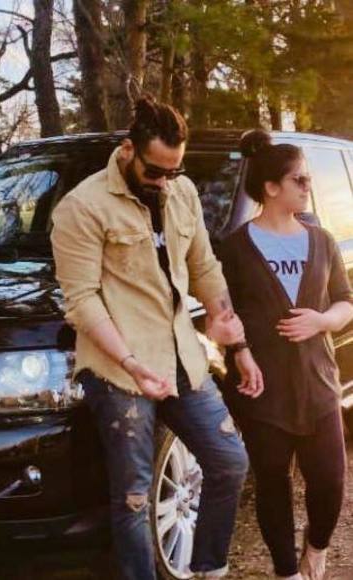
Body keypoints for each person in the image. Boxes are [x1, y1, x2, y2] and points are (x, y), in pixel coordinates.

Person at [50, 96, 262, 580]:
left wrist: (231, 334)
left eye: (174, 170)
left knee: (229, 461)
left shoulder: (182, 192)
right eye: (155, 171)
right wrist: (131, 364)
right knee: (133, 495)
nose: (165, 181)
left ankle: (208, 569)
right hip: (119, 369)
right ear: (128, 150)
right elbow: (82, 301)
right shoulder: (82, 207)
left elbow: (204, 266)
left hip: (182, 356)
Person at [219, 129, 353, 580]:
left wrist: (322, 320)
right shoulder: (237, 248)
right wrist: (239, 350)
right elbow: (223, 313)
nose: (307, 186)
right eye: (300, 179)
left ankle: (316, 548)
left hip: (318, 383)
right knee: (272, 483)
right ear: (271, 187)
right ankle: (285, 571)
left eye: (308, 179)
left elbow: (346, 302)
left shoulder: (322, 241)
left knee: (330, 480)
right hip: (264, 390)